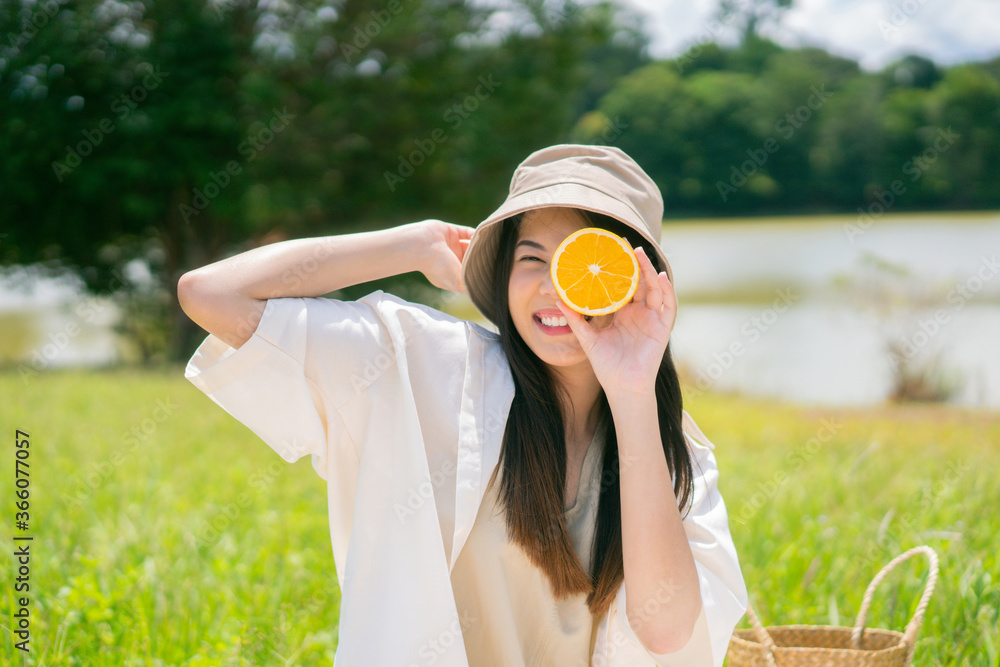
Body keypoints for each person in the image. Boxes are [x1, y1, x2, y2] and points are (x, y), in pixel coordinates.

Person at [179, 144, 748, 666]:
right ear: (503, 275)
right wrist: (413, 245)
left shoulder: (673, 451)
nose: (554, 288)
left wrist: (631, 394)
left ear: (634, 279)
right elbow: (212, 294)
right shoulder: (425, 367)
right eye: (531, 259)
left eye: (585, 262)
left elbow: (668, 633)